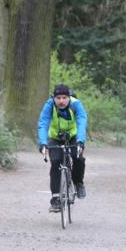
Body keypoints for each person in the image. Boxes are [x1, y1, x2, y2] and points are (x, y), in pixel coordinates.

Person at [37, 83, 87, 212]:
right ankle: (55, 199)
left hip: (73, 136)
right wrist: (43, 143)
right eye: (58, 98)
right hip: (55, 137)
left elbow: (82, 121)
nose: (61, 101)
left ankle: (79, 183)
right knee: (55, 163)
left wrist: (81, 141)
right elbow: (43, 123)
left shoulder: (76, 104)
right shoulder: (49, 105)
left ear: (69, 97)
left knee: (78, 159)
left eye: (64, 98)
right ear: (54, 98)